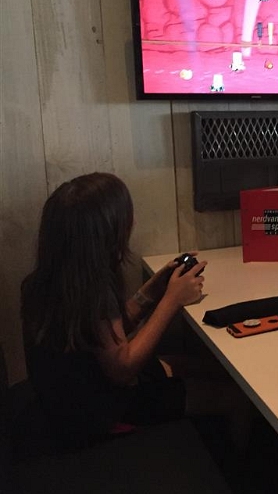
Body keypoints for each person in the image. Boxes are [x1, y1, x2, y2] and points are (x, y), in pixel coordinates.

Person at [20, 172, 251, 450]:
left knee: (208, 367)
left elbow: (103, 339)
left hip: (73, 401)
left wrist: (151, 292)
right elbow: (123, 367)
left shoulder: (49, 283)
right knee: (234, 395)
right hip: (103, 414)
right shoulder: (93, 292)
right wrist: (172, 300)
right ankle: (239, 465)